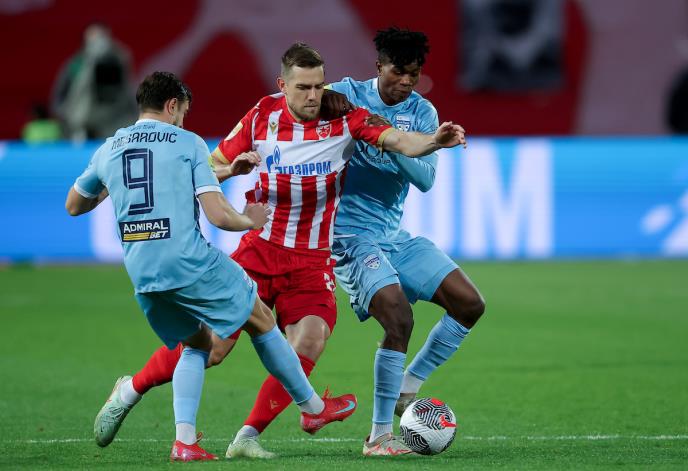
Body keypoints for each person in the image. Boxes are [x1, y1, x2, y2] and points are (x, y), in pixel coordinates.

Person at [92, 43, 467, 459]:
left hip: (311, 260)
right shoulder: (260, 116)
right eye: (303, 87)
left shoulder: (346, 119)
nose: (313, 96)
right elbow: (209, 167)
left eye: (319, 86)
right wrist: (231, 170)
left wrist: (433, 141)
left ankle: (247, 436)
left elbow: (399, 141)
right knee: (212, 348)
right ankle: (130, 389)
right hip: (260, 251)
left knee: (311, 339)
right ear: (282, 86)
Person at [67, 71, 357, 461]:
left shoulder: (110, 149)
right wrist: (249, 220)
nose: (182, 120)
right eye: (182, 112)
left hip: (142, 272)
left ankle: (181, 440)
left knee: (198, 345)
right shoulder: (186, 142)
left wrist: (111, 187)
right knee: (259, 317)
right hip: (189, 262)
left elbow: (74, 205)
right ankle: (313, 407)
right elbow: (218, 214)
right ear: (172, 106)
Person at [325, 27, 486, 456]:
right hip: (348, 237)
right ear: (379, 66)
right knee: (398, 318)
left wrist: (391, 140)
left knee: (469, 304)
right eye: (398, 71)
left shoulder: (422, 112)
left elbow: (427, 179)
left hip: (393, 237)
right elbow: (303, 104)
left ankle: (407, 386)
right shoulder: (346, 94)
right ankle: (379, 435)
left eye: (414, 74)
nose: (406, 81)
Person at [51, 23, 137, 141]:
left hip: (114, 122)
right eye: (93, 38)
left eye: (101, 38)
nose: (98, 43)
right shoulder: (76, 64)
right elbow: (59, 96)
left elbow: (127, 91)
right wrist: (66, 114)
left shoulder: (119, 60)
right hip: (82, 124)